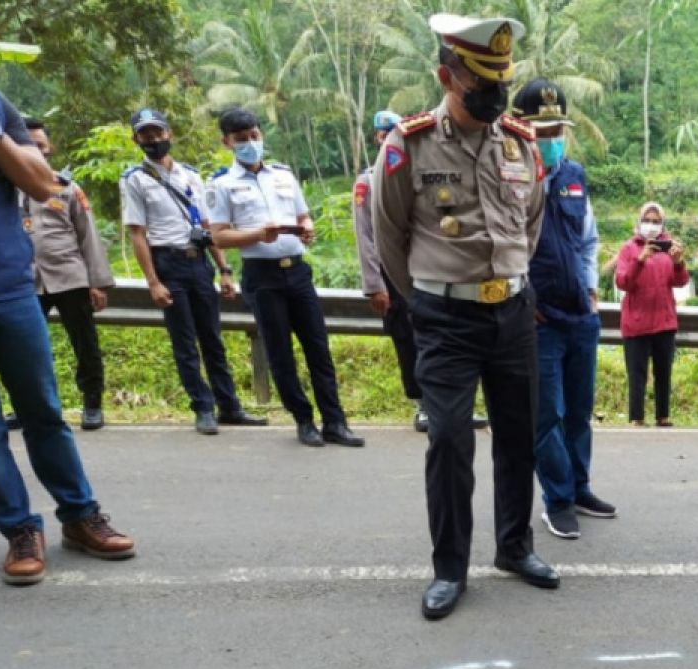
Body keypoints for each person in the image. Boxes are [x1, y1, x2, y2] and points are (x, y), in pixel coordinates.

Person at [371, 13, 560, 620]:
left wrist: (508, 284)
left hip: (512, 310)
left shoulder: (519, 143)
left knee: (518, 435)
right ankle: (449, 568)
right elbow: (389, 235)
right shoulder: (409, 142)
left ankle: (515, 548)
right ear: (447, 75)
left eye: (500, 80)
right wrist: (430, 298)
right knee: (450, 439)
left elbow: (530, 224)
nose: (495, 93)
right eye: (481, 81)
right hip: (444, 317)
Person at [0, 44, 134, 585]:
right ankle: (19, 530)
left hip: (12, 287)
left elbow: (40, 182)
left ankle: (80, 516)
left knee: (44, 411)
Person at [207, 107, 363, 448]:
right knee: (280, 353)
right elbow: (218, 236)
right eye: (241, 139)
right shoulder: (222, 184)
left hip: (297, 271)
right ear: (227, 142)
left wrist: (307, 228)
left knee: (318, 349)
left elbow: (303, 215)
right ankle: (304, 421)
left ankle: (335, 422)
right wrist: (257, 235)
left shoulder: (283, 175)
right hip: (262, 276)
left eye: (254, 135)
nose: (250, 143)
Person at [510, 77, 615, 540]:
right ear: (519, 129)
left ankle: (579, 486)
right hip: (540, 319)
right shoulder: (508, 178)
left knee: (578, 411)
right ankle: (557, 498)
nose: (550, 139)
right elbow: (499, 246)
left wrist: (592, 290)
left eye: (557, 130)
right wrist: (522, 295)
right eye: (541, 130)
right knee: (546, 414)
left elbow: (587, 239)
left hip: (580, 315)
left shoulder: (573, 176)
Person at [121, 108, 266, 435]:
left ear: (169, 133)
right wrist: (153, 282)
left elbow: (208, 226)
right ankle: (202, 407)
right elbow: (137, 235)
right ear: (136, 139)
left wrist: (224, 270)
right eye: (146, 134)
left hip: (198, 264)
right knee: (185, 343)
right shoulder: (135, 180)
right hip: (167, 264)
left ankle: (229, 407)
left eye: (158, 132)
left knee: (213, 339)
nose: (154, 139)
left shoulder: (191, 176)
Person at [353, 110, 490, 435]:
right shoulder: (369, 181)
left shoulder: (427, 172)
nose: (392, 139)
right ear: (378, 138)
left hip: (434, 270)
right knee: (408, 340)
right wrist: (374, 284)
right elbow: (366, 235)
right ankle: (423, 405)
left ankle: (458, 404)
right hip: (395, 273)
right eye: (385, 133)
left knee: (447, 338)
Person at [20, 117, 114, 431]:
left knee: (85, 344)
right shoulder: (5, 184)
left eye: (40, 146)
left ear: (50, 148)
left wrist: (97, 282)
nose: (35, 151)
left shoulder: (66, 186)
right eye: (28, 145)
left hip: (70, 276)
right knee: (23, 347)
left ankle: (92, 404)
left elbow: (89, 235)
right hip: (25, 281)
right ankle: (28, 408)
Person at [614, 202, 689, 427]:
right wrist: (640, 260)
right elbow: (623, 282)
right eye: (647, 220)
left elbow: (680, 281)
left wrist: (678, 263)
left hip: (664, 321)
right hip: (636, 322)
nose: (651, 225)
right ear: (639, 222)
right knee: (637, 374)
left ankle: (663, 415)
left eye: (656, 222)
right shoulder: (629, 249)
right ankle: (637, 417)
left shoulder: (669, 249)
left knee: (663, 372)